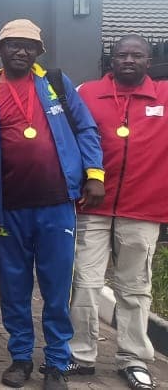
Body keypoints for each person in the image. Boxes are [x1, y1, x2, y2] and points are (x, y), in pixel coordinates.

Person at [0, 19, 104, 390]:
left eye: (29, 45)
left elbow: (87, 128)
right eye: (14, 44)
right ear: (0, 50)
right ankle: (21, 357)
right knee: (14, 287)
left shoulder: (57, 84)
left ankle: (57, 363)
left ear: (38, 52)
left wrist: (94, 174)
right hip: (8, 206)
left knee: (57, 287)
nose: (22, 51)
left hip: (58, 203)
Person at [70, 34, 168, 390]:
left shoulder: (165, 97)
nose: (129, 60)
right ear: (111, 59)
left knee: (135, 288)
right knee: (84, 283)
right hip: (93, 206)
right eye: (122, 54)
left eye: (137, 55)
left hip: (143, 209)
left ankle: (133, 358)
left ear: (149, 59)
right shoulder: (87, 93)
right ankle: (80, 355)